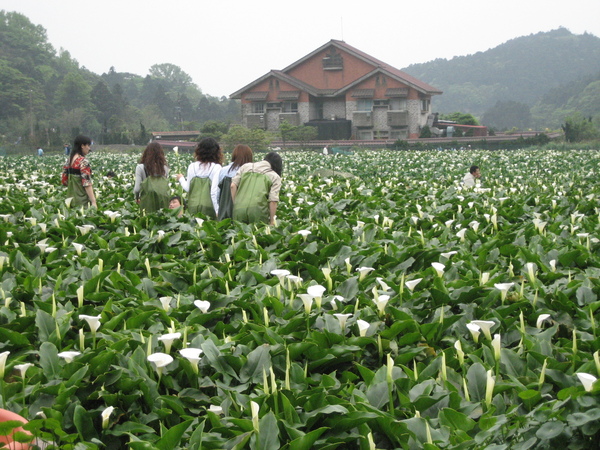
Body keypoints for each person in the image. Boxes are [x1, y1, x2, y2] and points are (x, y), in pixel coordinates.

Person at [231, 151, 282, 225]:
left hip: (239, 209)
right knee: (258, 235)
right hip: (258, 211)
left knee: (239, 235)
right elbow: (273, 201)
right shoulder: (274, 176)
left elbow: (232, 186)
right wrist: (272, 221)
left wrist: (236, 203)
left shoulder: (245, 167)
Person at [176, 138, 222, 218]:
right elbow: (214, 192)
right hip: (209, 207)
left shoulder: (192, 166)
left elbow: (188, 188)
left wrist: (181, 179)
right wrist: (217, 210)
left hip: (193, 206)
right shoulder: (216, 168)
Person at [217, 144, 253, 220]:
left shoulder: (224, 170)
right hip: (243, 212)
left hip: (224, 211)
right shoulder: (251, 172)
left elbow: (218, 193)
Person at [62, 135, 97, 208]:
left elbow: (64, 181)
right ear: (82, 146)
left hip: (70, 200)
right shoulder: (83, 162)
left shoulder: (69, 161)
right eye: (88, 145)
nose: (89, 148)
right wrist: (93, 201)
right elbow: (87, 183)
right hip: (82, 202)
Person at [134, 142, 170, 213]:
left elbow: (137, 189)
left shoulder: (141, 167)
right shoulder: (165, 168)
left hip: (148, 199)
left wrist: (137, 197)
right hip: (163, 198)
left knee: (148, 220)